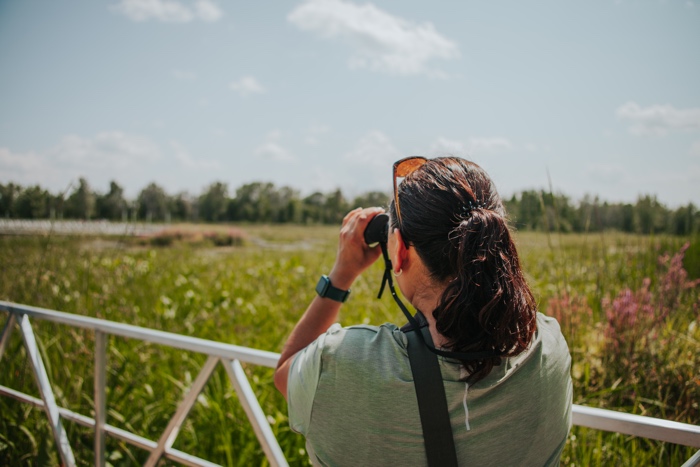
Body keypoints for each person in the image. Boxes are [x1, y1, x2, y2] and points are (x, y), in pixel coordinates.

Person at [274, 156, 573, 466]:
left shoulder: (338, 364)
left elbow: (285, 374)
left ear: (400, 251)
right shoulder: (547, 346)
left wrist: (341, 275)